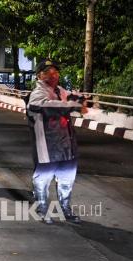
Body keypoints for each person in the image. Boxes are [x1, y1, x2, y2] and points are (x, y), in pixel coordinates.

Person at [27, 59, 86, 224]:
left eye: (56, 72)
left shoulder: (60, 91)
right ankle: (41, 210)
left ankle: (66, 210)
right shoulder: (38, 93)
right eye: (49, 72)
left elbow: (75, 100)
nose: (54, 75)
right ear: (40, 75)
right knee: (43, 179)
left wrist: (79, 100)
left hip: (67, 143)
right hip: (48, 144)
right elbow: (46, 105)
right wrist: (71, 105)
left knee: (67, 178)